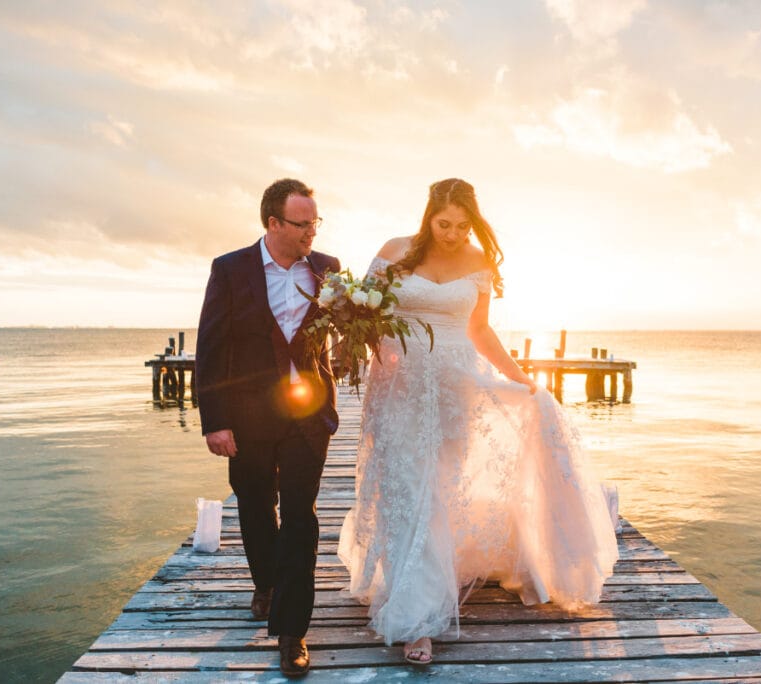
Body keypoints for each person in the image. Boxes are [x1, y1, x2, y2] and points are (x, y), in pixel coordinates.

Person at [338, 178, 619, 664]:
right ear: (428, 216)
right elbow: (361, 316)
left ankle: (424, 586)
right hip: (398, 388)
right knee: (408, 491)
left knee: (440, 490)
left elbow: (480, 330)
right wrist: (364, 346)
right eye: (443, 224)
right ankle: (416, 620)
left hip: (455, 388)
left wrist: (519, 378)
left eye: (462, 226)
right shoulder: (393, 251)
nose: (451, 234)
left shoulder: (479, 262)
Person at [196, 178, 340, 677]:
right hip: (248, 416)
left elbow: (343, 330)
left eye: (315, 222)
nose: (311, 233)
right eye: (302, 224)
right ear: (273, 223)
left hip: (307, 417)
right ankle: (266, 583)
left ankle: (292, 631)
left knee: (301, 517)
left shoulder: (328, 270)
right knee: (256, 506)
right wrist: (215, 422)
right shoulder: (230, 269)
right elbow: (211, 349)